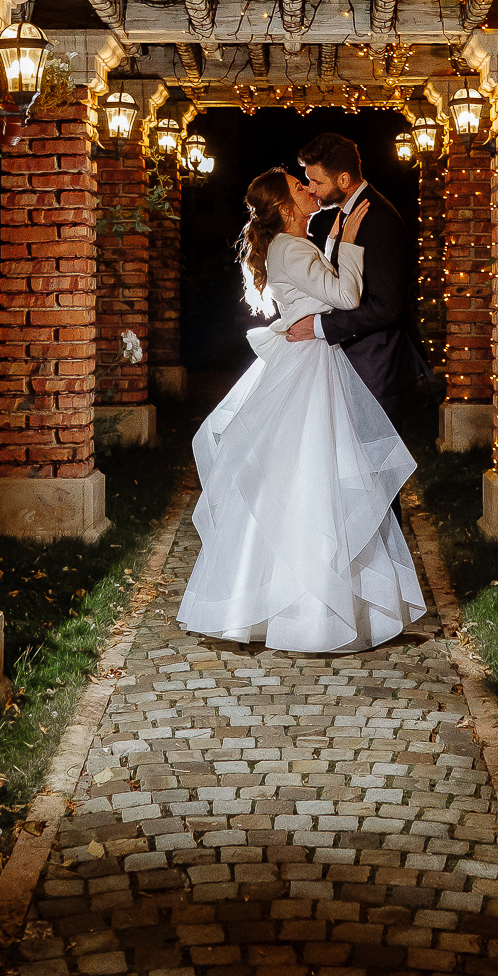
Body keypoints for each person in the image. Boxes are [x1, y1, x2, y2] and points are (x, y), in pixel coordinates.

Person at [177, 168, 426, 653]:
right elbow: (346, 296)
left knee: (305, 472)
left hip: (312, 360)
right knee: (316, 473)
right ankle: (307, 611)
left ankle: (293, 603)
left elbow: (322, 293)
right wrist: (350, 240)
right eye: (299, 187)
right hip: (311, 367)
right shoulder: (291, 248)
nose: (310, 190)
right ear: (287, 207)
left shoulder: (289, 247)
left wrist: (332, 244)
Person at [287, 131, 424, 431]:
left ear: (344, 180)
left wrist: (319, 327)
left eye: (317, 182)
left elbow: (388, 306)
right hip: (359, 358)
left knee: (374, 466)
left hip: (378, 362)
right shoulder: (348, 215)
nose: (311, 189)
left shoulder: (377, 220)